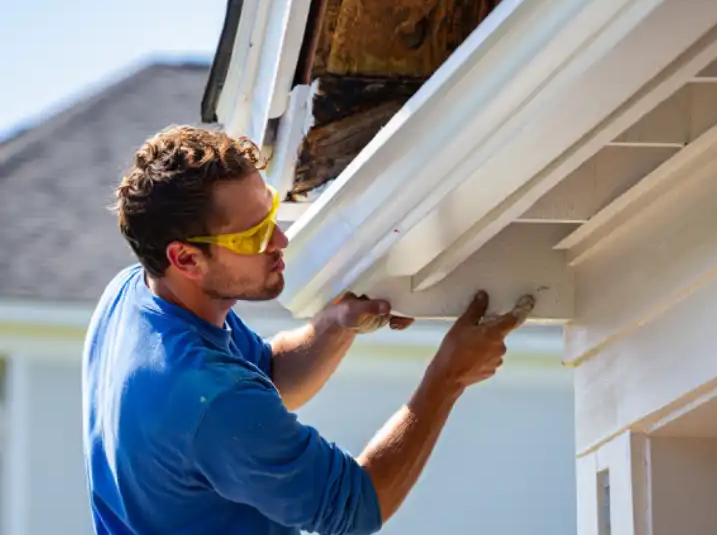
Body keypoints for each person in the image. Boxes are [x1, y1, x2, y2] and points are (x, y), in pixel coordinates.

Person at [82, 125, 535, 535]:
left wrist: (336, 326)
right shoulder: (204, 392)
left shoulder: (135, 297)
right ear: (186, 259)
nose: (280, 241)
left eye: (272, 215)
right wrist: (448, 376)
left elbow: (270, 375)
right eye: (253, 236)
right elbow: (356, 508)